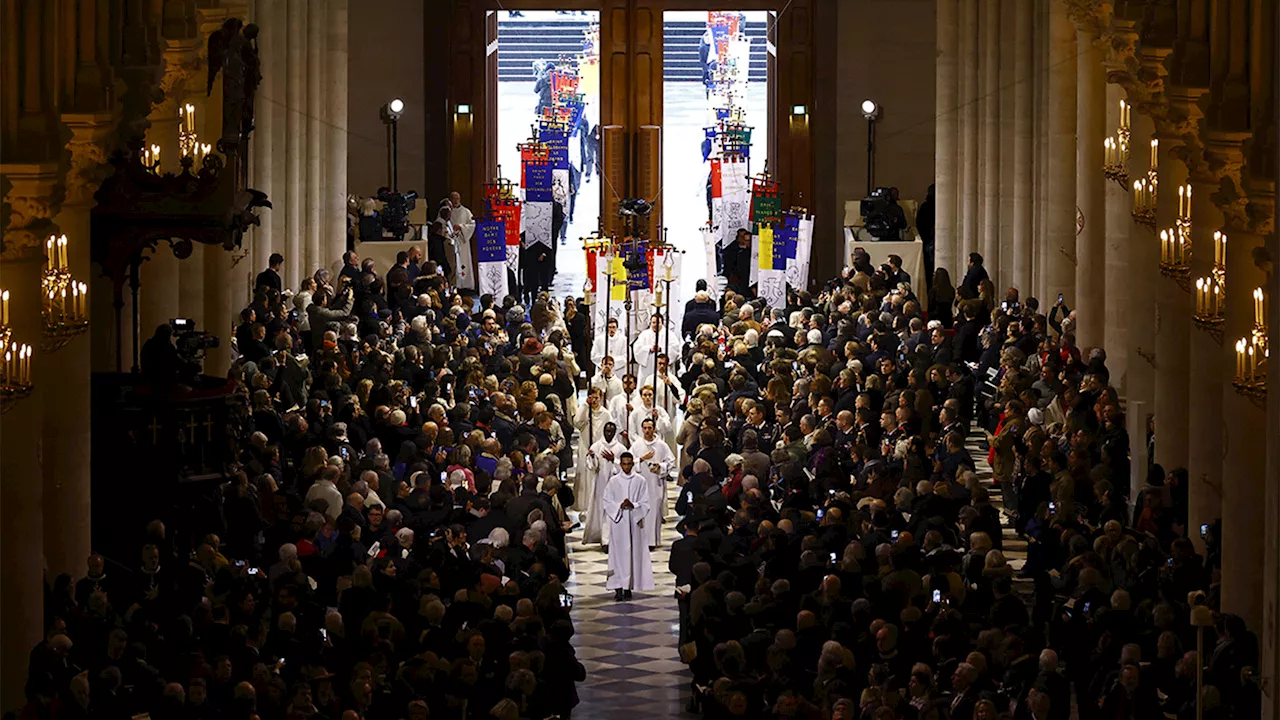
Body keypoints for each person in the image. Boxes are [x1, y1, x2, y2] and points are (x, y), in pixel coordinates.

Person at [602, 452, 654, 600]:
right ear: (620, 464)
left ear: (632, 464)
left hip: (634, 522)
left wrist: (634, 505)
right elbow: (606, 501)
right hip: (618, 523)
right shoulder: (613, 481)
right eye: (624, 463)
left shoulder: (640, 480)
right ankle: (618, 587)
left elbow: (645, 502)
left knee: (633, 554)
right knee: (617, 554)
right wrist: (619, 506)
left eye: (629, 463)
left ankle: (629, 586)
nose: (626, 466)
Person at [630, 417, 674, 549]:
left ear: (654, 428)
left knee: (654, 512)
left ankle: (652, 541)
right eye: (645, 428)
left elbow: (670, 461)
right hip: (641, 484)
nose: (647, 431)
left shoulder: (662, 445)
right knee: (641, 511)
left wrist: (660, 467)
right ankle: (640, 540)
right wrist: (642, 459)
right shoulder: (637, 445)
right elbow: (629, 462)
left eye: (650, 428)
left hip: (656, 484)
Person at [582, 421, 627, 546]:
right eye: (606, 431)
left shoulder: (620, 448)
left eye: (611, 431)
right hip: (600, 483)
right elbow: (592, 467)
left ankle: (612, 539)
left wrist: (614, 460)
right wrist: (591, 457)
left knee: (613, 510)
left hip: (616, 485)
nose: (608, 434)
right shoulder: (596, 446)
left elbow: (627, 466)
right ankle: (604, 539)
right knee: (601, 510)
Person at [446, 192, 476, 292]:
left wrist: (461, 227)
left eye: (457, 198)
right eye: (453, 198)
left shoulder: (466, 211)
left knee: (463, 262)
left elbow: (472, 224)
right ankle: (454, 284)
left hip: (462, 241)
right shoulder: (446, 211)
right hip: (450, 241)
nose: (455, 200)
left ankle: (465, 285)